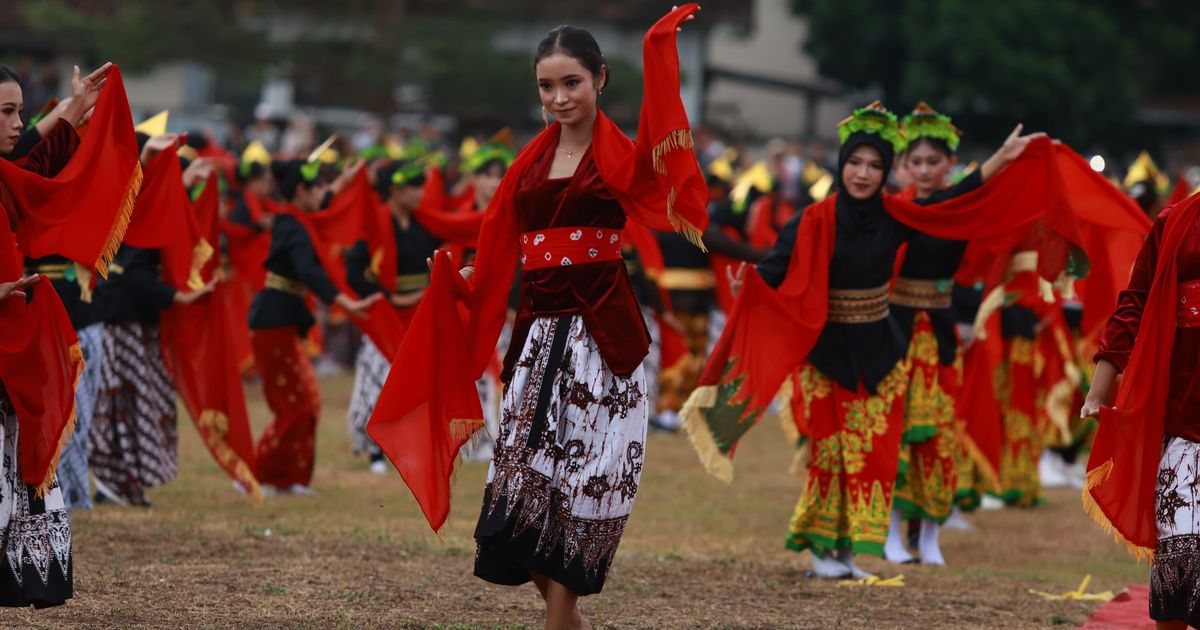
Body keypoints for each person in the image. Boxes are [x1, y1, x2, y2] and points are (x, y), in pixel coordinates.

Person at [367, 6, 708, 629]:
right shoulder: (529, 161)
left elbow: (663, 154)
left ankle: (558, 624)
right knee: (523, 494)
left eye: (571, 83)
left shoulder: (619, 157)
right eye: (546, 86)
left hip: (603, 343)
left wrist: (659, 51)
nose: (558, 98)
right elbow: (504, 236)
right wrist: (473, 274)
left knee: (580, 489)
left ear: (600, 79)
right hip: (538, 336)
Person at [0, 61, 140, 608]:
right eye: (5, 112)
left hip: (11, 341)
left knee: (14, 459)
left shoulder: (4, 173)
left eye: (17, 110)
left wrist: (73, 108)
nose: (17, 122)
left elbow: (31, 157)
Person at [885, 102, 1035, 565]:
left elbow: (986, 249)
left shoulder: (961, 207)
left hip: (944, 333)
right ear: (903, 166)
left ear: (950, 163)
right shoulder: (895, 209)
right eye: (917, 162)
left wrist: (1004, 162)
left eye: (934, 161)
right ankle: (892, 532)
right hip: (896, 332)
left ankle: (930, 534)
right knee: (898, 433)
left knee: (940, 436)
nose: (926, 169)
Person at [1081, 190, 1200, 630]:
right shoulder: (1175, 220)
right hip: (1180, 404)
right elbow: (1134, 302)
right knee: (1179, 544)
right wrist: (1100, 388)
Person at [247, 159, 378, 495]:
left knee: (305, 403)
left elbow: (323, 204)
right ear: (302, 191)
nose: (325, 191)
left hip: (282, 320)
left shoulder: (297, 218)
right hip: (273, 321)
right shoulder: (292, 225)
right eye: (318, 186)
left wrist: (344, 182)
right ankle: (255, 473)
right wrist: (344, 301)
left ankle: (287, 478)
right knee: (295, 406)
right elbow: (309, 271)